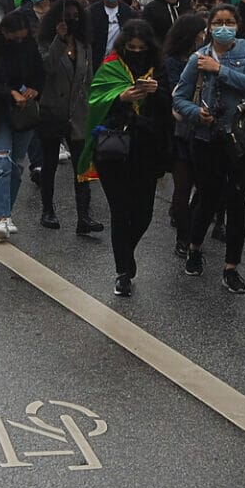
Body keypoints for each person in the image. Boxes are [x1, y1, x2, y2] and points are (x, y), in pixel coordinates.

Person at [172, 1, 245, 293]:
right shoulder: (197, 58)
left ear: (237, 25)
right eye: (218, 23)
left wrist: (219, 69)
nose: (224, 28)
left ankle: (231, 267)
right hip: (206, 139)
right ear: (208, 27)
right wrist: (197, 113)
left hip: (241, 139)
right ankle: (194, 249)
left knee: (237, 204)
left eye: (229, 22)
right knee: (208, 198)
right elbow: (179, 98)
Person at [91, 21, 173, 296]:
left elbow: (169, 105)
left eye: (141, 48)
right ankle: (123, 271)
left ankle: (127, 251)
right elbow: (96, 100)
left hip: (148, 149)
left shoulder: (159, 69)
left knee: (144, 213)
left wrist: (156, 91)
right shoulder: (111, 67)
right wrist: (121, 97)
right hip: (114, 149)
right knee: (120, 211)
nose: (136, 52)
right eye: (131, 47)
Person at [0, 8, 46, 242]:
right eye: (15, 37)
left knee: (16, 167)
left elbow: (40, 74)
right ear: (4, 32)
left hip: (24, 114)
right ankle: (1, 217)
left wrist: (34, 89)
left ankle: (8, 211)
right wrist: (10, 92)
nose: (19, 41)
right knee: (2, 162)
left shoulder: (29, 46)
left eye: (23, 37)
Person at [36, 0, 102, 234]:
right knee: (50, 163)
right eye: (67, 17)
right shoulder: (45, 42)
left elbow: (89, 80)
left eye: (75, 16)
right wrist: (59, 39)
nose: (71, 20)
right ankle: (47, 210)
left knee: (81, 166)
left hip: (78, 114)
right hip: (52, 111)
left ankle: (84, 216)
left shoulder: (85, 46)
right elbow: (47, 67)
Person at [161, 13, 209, 252]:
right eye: (202, 32)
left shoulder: (210, 58)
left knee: (205, 187)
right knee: (183, 186)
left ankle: (189, 220)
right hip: (181, 131)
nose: (205, 36)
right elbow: (175, 94)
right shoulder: (172, 63)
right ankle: (183, 237)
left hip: (204, 131)